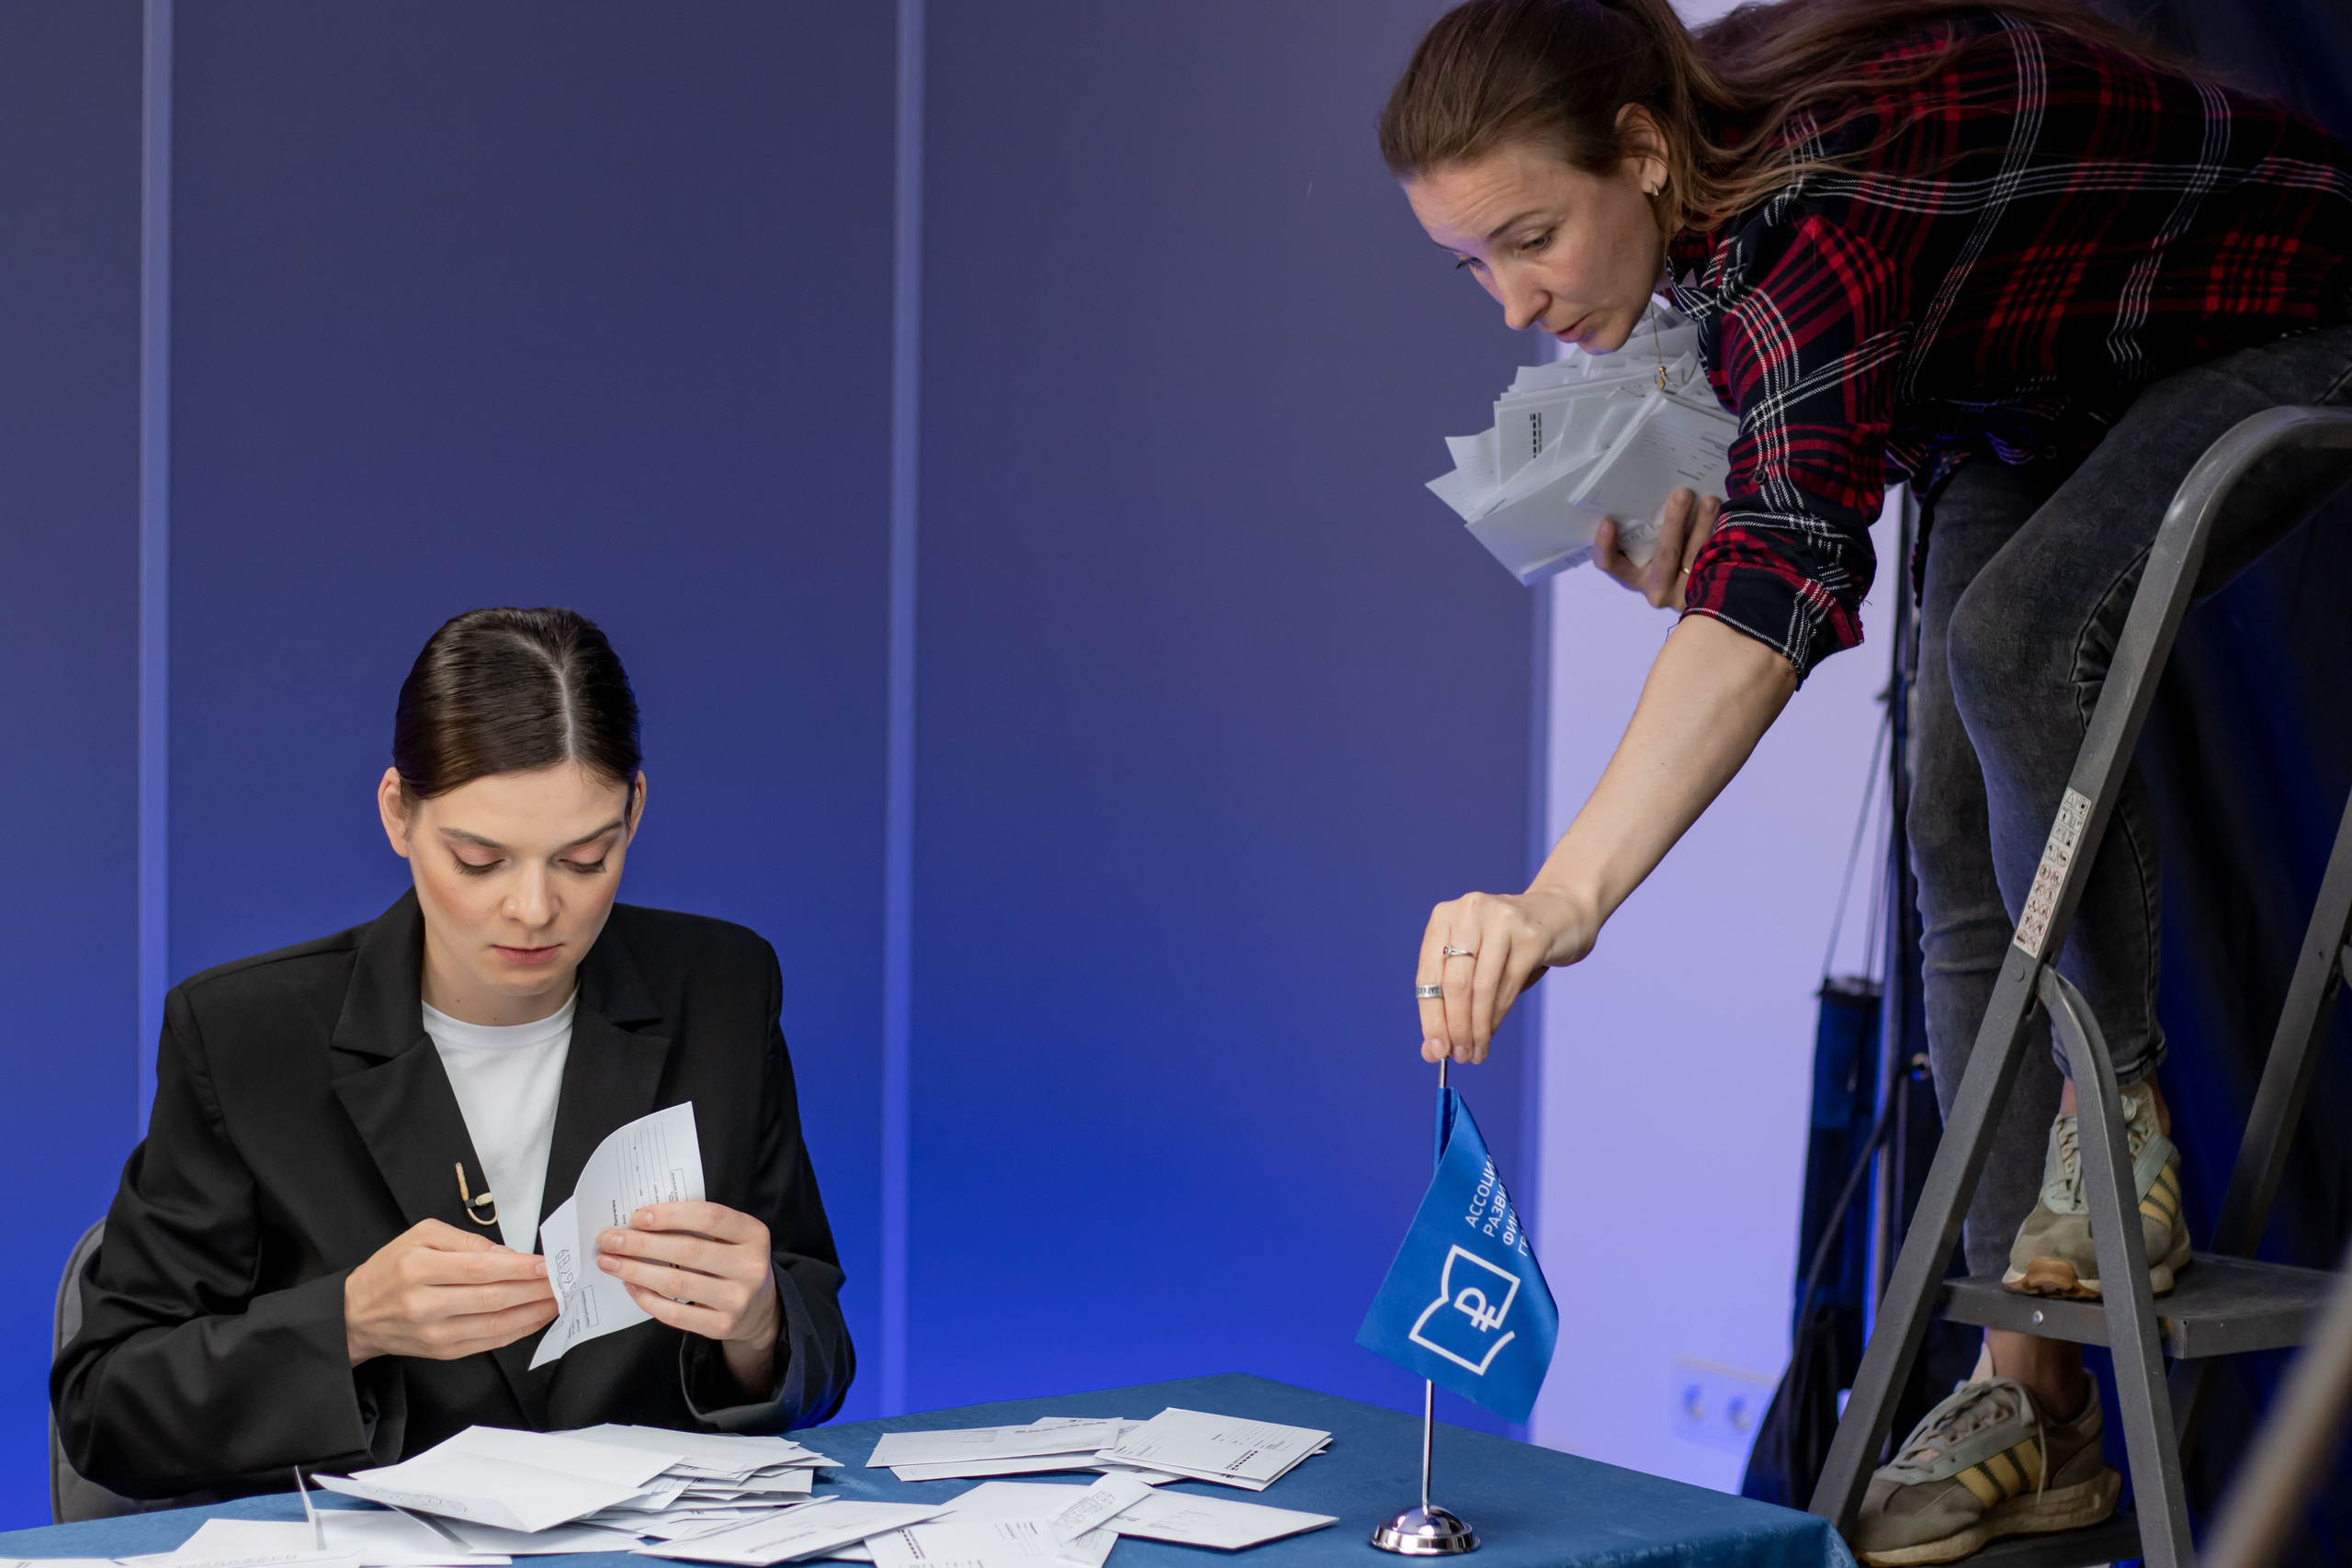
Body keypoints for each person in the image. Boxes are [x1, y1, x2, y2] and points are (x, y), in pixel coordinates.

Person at [1382, 0, 2350, 1561]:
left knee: (2019, 644)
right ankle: (2032, 1396)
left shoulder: (1822, 209)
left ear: (1636, 154)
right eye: (1472, 262)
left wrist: (1566, 898)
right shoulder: (1695, 133)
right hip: (2040, 395)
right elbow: (1752, 378)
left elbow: (1772, 599)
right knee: (1952, 788)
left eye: (1531, 238)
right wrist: (1699, 455)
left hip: (2291, 325)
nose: (1511, 300)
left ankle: (2119, 1132)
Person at [53, 607, 853, 1501]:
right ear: (399, 814)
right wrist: (350, 1323)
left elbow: (814, 1339)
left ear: (635, 810)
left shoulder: (723, 988)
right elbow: (105, 1407)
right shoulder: (246, 1032)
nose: (534, 908)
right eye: (479, 859)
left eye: (585, 858)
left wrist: (759, 1326)